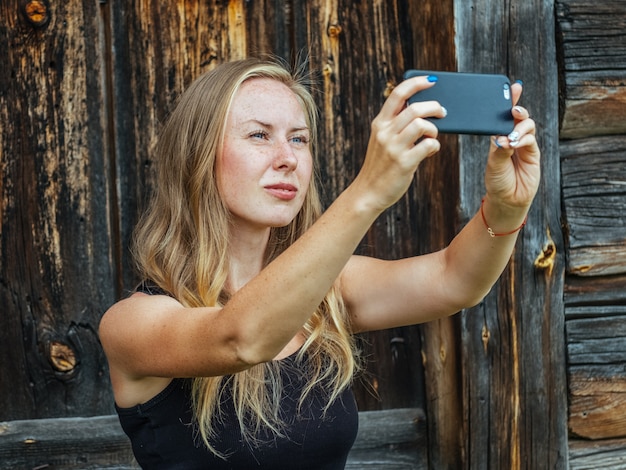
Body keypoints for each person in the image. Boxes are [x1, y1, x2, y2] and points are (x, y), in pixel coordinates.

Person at [99, 57, 540, 469]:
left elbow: (453, 280)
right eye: (258, 135)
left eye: (299, 139)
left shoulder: (327, 290)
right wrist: (367, 191)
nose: (287, 158)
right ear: (198, 155)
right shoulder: (133, 324)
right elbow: (239, 340)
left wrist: (506, 207)